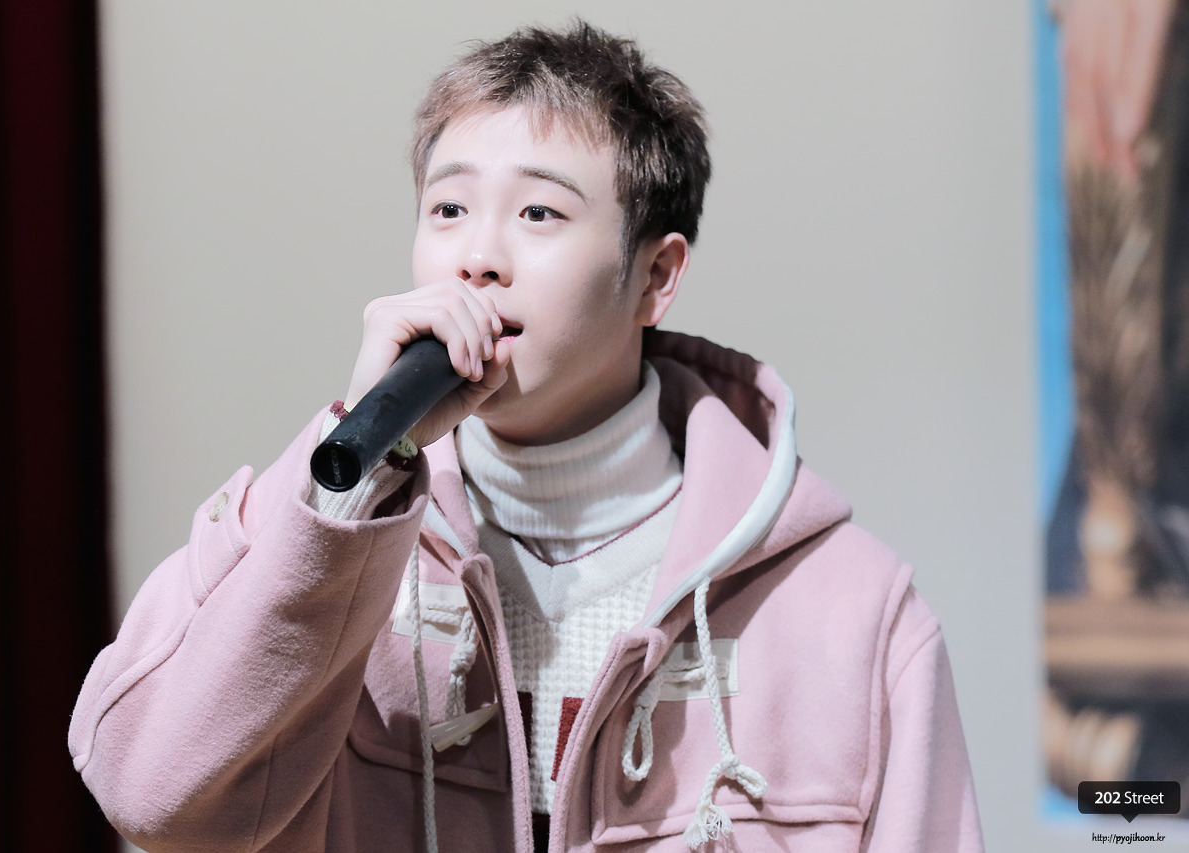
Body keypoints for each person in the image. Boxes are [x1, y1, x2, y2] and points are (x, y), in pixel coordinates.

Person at [69, 20, 983, 853]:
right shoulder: (331, 542)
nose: (478, 257)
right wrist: (349, 480)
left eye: (539, 213)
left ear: (656, 277)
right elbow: (152, 798)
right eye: (448, 209)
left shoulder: (854, 610)